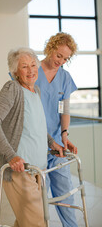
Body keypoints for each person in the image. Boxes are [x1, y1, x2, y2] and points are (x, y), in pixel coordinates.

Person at [0, 47, 64, 227]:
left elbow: (35, 126)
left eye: (33, 65)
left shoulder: (35, 90)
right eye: (24, 67)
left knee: (28, 221)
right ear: (15, 71)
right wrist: (11, 155)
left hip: (38, 170)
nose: (30, 70)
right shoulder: (13, 88)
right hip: (20, 170)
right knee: (37, 222)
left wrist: (52, 142)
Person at [36, 32, 78, 227]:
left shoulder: (64, 77)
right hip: (35, 143)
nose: (61, 61)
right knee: (36, 198)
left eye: (66, 58)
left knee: (65, 195)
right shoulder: (32, 71)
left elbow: (64, 109)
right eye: (58, 55)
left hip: (56, 144)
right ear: (50, 49)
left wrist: (64, 135)